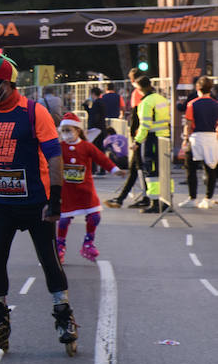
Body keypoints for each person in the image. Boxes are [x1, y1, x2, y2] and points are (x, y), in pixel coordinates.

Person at [0, 56, 78, 356]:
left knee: (49, 259)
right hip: (1, 203)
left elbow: (54, 155)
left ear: (6, 84)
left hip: (35, 202)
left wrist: (55, 198)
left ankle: (63, 316)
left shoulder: (34, 112)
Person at [57, 112, 121, 262]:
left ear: (77, 130)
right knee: (64, 219)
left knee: (94, 216)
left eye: (69, 130)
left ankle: (88, 242)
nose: (66, 134)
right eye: (63, 131)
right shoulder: (59, 147)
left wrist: (115, 169)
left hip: (85, 189)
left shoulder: (86, 146)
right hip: (67, 191)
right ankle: (60, 246)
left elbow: (101, 158)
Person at [106, 69, 148, 208]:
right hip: (145, 136)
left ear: (132, 81)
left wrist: (134, 137)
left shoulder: (137, 93)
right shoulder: (151, 95)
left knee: (138, 168)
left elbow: (137, 115)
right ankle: (123, 198)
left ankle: (141, 198)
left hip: (139, 136)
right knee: (136, 169)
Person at [134, 76, 172, 214]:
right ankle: (168, 201)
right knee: (165, 170)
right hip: (164, 138)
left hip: (152, 139)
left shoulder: (146, 102)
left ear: (139, 88)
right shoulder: (161, 99)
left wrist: (137, 141)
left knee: (151, 171)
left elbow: (144, 125)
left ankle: (155, 203)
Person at [181, 76, 218, 208]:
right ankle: (208, 198)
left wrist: (185, 139)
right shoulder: (216, 104)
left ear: (198, 88)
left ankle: (193, 198)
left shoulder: (192, 104)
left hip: (196, 137)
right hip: (212, 137)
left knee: (190, 168)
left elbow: (188, 123)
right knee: (211, 168)